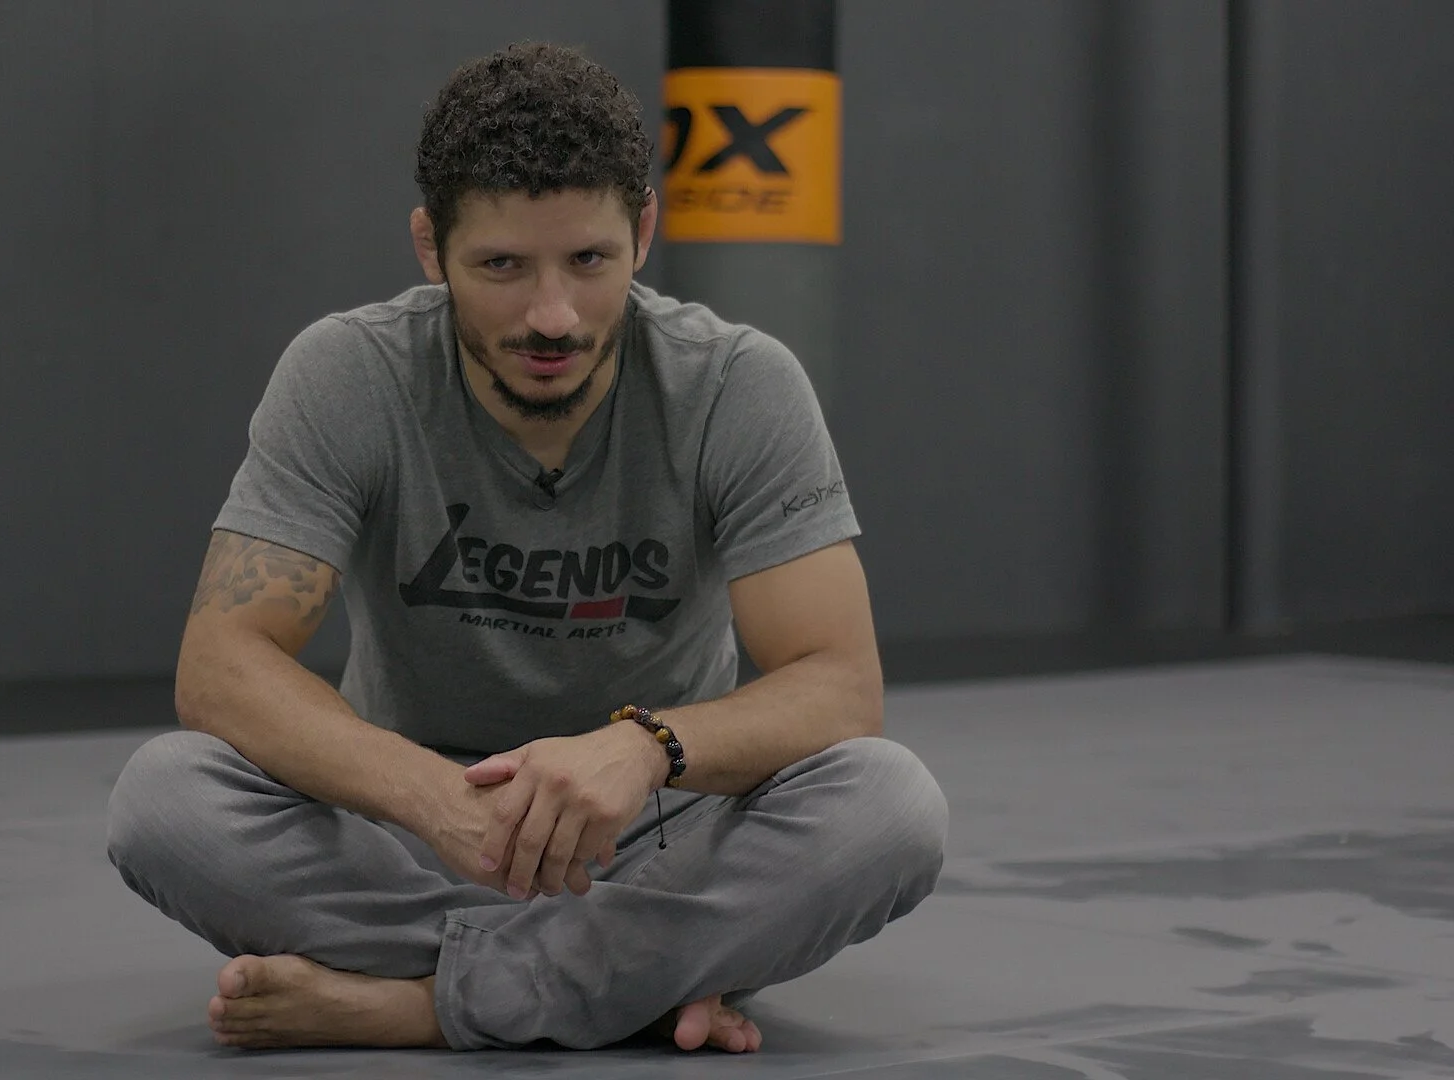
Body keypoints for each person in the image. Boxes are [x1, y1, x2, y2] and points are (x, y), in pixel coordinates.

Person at [105, 41, 948, 1054]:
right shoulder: (349, 374)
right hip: (414, 838)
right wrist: (435, 802)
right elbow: (221, 666)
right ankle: (628, 983)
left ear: (643, 231)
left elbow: (840, 689)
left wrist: (643, 747)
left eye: (589, 261)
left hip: (657, 835)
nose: (552, 316)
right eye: (501, 266)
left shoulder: (737, 385)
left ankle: (423, 1006)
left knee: (891, 807)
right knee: (164, 800)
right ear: (431, 246)